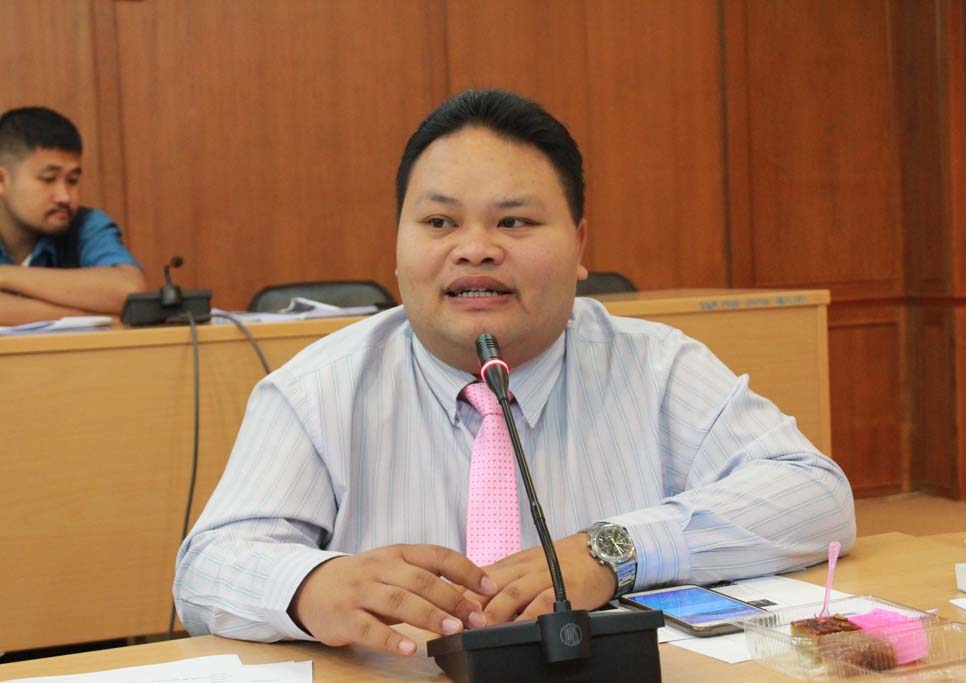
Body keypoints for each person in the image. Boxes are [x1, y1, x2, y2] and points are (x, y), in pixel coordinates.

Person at [174, 89, 856, 657]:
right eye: (439, 221)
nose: (475, 249)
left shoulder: (656, 365)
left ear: (580, 245)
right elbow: (207, 566)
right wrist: (311, 585)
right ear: (398, 247)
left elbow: (815, 493)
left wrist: (613, 551)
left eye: (515, 221)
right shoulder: (315, 390)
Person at [0, 107, 144, 326]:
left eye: (72, 180)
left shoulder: (86, 225)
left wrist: (5, 276)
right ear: (2, 181)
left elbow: (129, 289)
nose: (64, 197)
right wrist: (91, 317)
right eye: (49, 179)